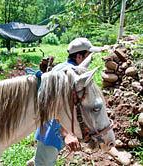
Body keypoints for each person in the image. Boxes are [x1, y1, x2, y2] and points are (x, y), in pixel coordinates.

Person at [27, 37, 106, 166]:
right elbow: (54, 107)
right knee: (45, 161)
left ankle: (37, 160)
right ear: (79, 57)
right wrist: (67, 134)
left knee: (45, 157)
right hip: (52, 131)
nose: (89, 60)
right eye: (88, 56)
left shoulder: (62, 67)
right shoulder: (67, 75)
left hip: (50, 129)